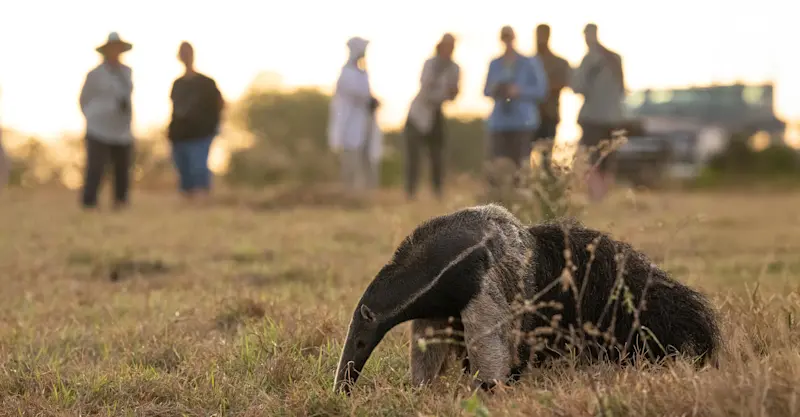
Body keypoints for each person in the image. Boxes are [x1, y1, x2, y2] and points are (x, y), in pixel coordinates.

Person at [78, 32, 135, 211]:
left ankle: (120, 202)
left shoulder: (127, 72)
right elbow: (84, 99)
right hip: (98, 129)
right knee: (96, 167)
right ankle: (89, 203)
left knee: (122, 168)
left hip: (122, 129)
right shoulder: (94, 75)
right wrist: (92, 116)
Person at [571, 23, 626, 202]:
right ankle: (603, 198)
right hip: (614, 118)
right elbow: (622, 89)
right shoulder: (615, 58)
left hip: (593, 118)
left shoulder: (589, 60)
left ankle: (596, 198)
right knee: (608, 160)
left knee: (592, 160)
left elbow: (577, 87)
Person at [483, 26, 548, 175]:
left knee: (521, 166)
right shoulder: (495, 63)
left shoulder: (529, 63)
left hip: (523, 122)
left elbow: (541, 90)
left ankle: (520, 196)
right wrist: (497, 89)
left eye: (509, 38)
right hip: (499, 123)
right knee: (497, 167)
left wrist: (519, 91)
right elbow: (486, 90)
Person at [403, 33, 460, 201]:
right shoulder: (430, 64)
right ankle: (410, 192)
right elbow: (426, 88)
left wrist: (449, 93)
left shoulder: (455, 68)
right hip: (418, 114)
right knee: (413, 156)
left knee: (437, 156)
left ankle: (437, 191)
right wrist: (444, 91)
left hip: (436, 113)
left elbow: (453, 94)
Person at [167, 41, 224, 203]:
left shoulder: (207, 83)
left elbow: (220, 104)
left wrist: (214, 127)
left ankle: (202, 204)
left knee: (198, 169)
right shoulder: (177, 84)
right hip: (180, 135)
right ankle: (189, 207)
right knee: (184, 173)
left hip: (201, 134)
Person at [327, 36, 383, 194]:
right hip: (350, 124)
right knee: (351, 160)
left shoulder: (362, 73)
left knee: (368, 159)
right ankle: (350, 194)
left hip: (365, 123)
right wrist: (369, 100)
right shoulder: (347, 73)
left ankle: (368, 194)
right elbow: (357, 95)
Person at [532, 24, 571, 153]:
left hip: (549, 114)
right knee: (525, 159)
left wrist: (542, 88)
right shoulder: (527, 63)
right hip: (528, 116)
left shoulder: (559, 62)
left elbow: (565, 82)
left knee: (547, 156)